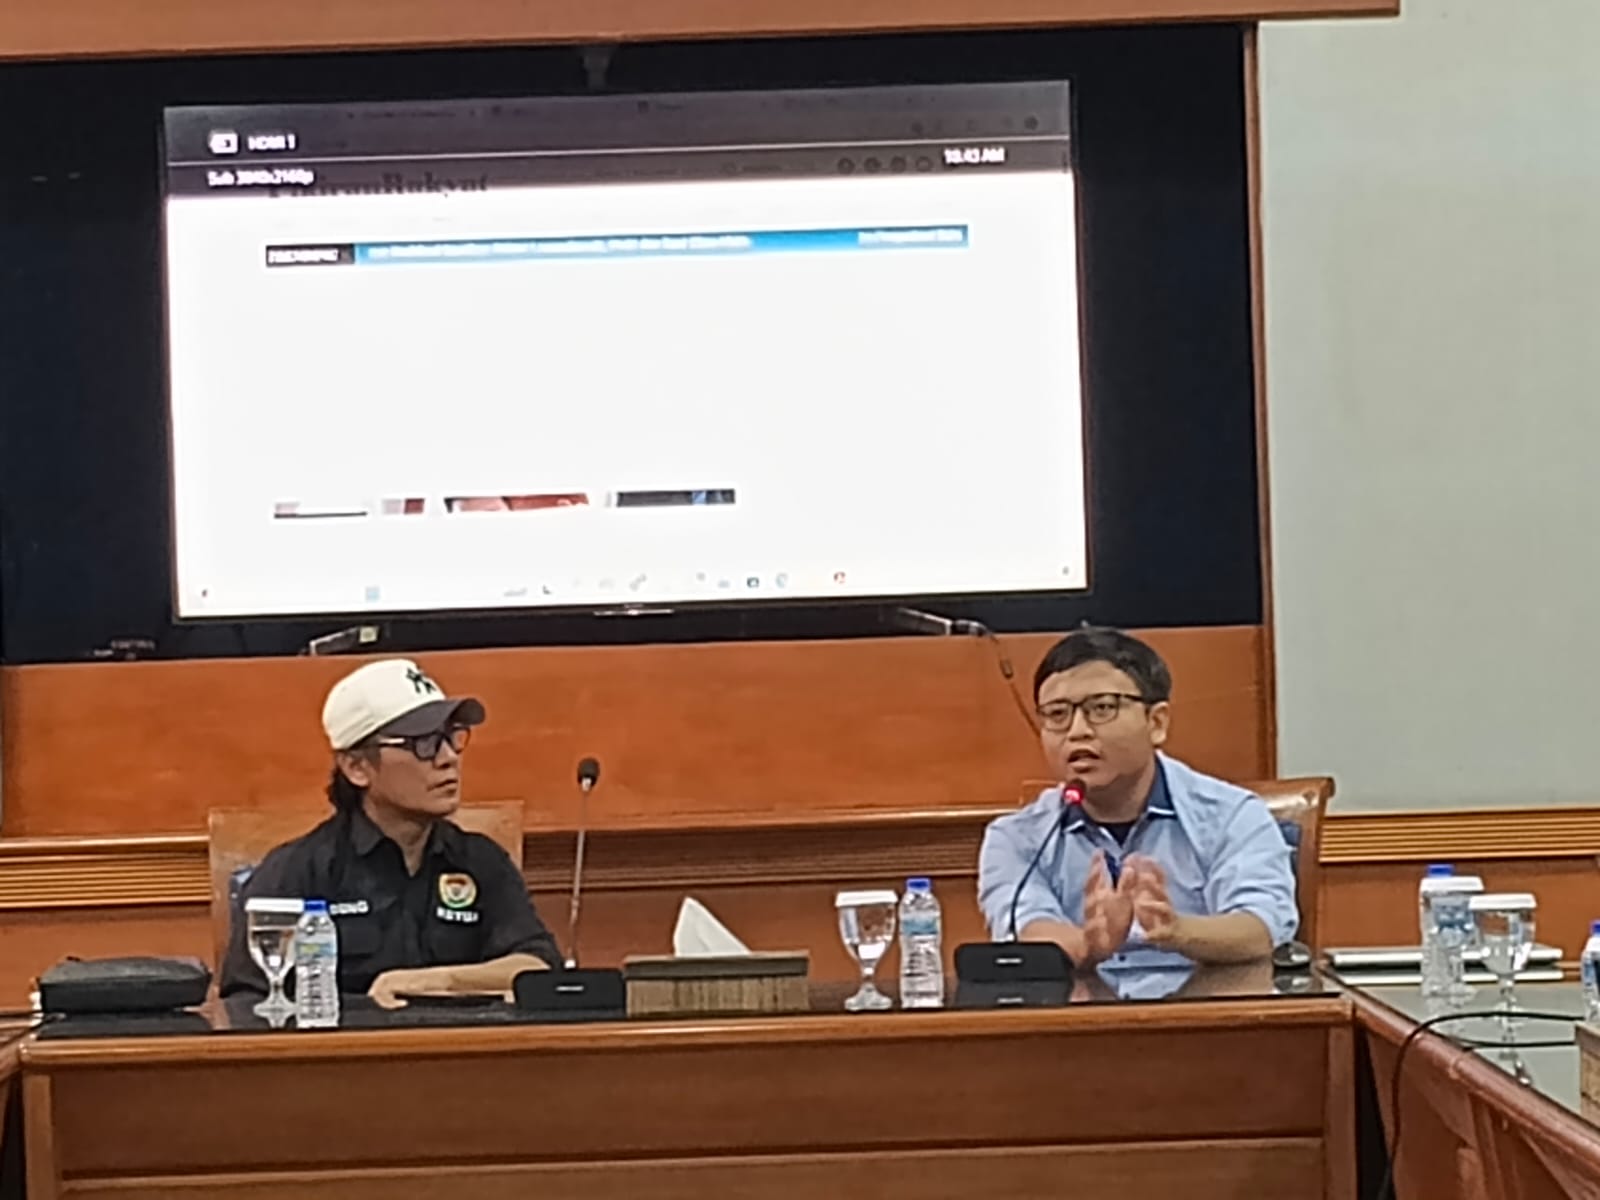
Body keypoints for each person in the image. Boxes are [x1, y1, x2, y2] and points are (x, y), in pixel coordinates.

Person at [220, 658, 558, 1007]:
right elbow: (245, 1002)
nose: (448, 758)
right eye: (423, 743)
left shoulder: (480, 861)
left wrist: (435, 981)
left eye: (450, 737)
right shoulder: (298, 872)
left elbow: (539, 968)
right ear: (357, 767)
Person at [977, 628, 1296, 967]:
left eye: (1102, 708)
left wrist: (1176, 931)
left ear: (1156, 722)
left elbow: (1261, 927)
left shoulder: (1232, 816)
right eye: (1057, 714)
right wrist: (1090, 945)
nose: (1077, 731)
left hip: (1205, 1000)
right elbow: (1027, 926)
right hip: (1078, 1002)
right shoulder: (1016, 838)